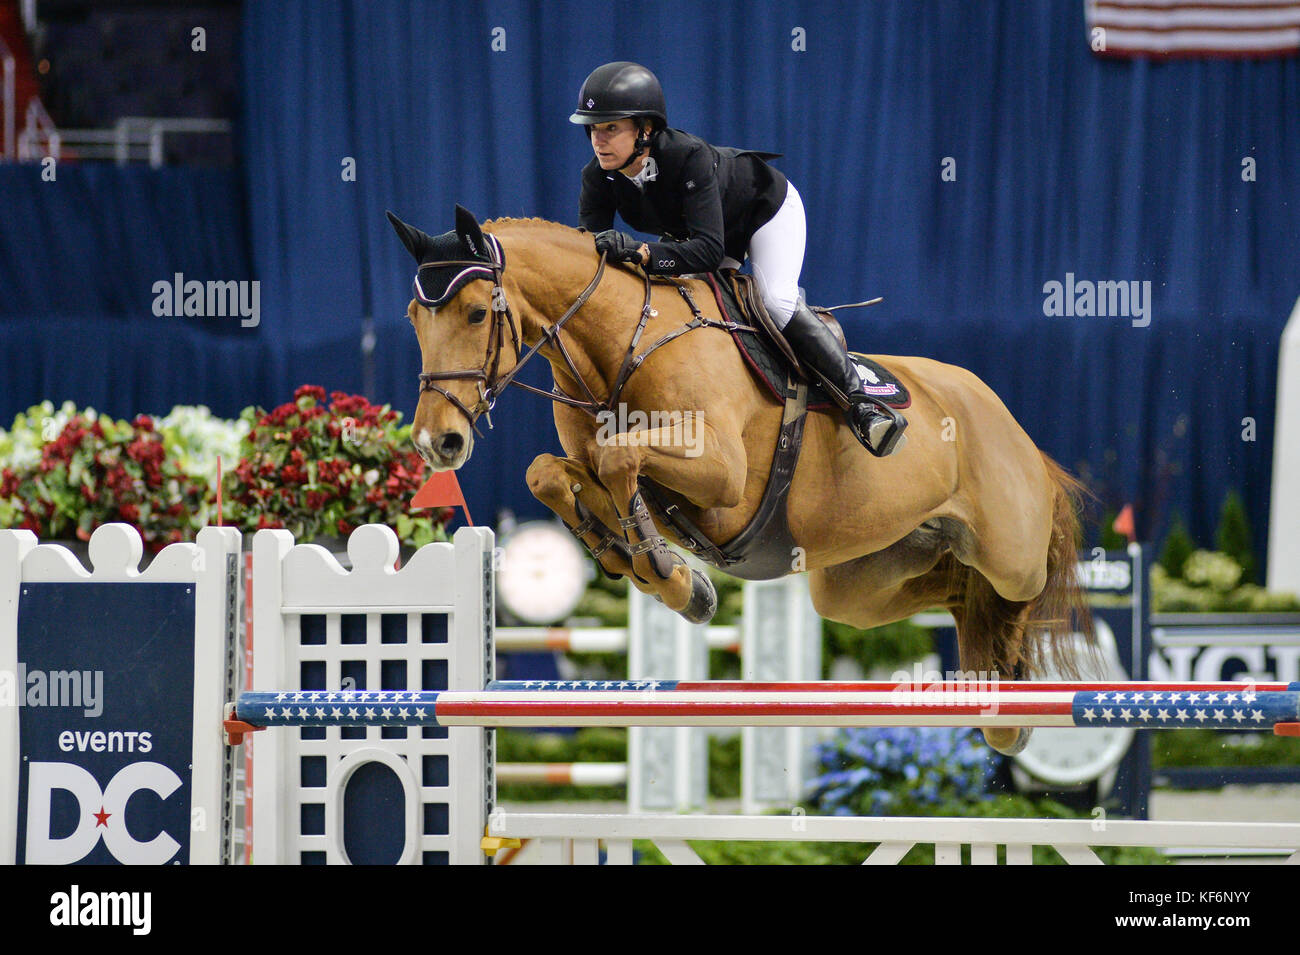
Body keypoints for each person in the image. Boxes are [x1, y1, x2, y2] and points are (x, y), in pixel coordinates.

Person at [571, 61, 906, 457]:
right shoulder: (597, 177)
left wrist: (642, 252)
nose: (598, 139)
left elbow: (710, 251)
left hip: (765, 210)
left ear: (645, 129)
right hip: (701, 231)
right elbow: (589, 255)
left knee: (775, 300)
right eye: (593, 128)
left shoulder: (688, 156)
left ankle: (862, 404)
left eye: (611, 127)